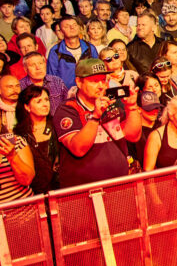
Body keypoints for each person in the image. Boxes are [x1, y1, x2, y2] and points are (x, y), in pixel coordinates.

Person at [54, 58, 143, 188]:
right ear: (79, 82)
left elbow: (133, 136)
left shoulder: (113, 104)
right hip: (83, 191)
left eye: (103, 80)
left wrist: (132, 107)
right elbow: (78, 149)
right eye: (94, 81)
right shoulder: (67, 109)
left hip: (119, 185)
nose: (101, 86)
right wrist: (95, 117)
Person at [13, 85, 59, 193]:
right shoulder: (19, 133)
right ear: (27, 107)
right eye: (39, 101)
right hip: (34, 191)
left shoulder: (57, 125)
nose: (45, 104)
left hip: (60, 186)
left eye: (46, 100)